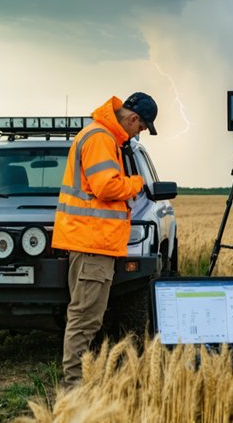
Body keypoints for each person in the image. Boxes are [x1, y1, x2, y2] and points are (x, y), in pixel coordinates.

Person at [52, 92, 158, 387]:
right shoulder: (100, 137)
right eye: (142, 128)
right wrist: (136, 182)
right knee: (85, 318)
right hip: (92, 244)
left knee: (87, 316)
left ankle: (79, 382)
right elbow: (106, 186)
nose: (141, 133)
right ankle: (74, 388)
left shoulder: (102, 135)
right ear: (133, 119)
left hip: (91, 243)